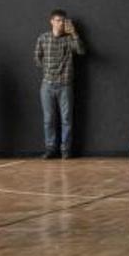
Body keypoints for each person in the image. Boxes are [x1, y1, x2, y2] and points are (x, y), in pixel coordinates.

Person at [34, 9, 86, 159]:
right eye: (58, 20)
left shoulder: (70, 39)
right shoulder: (43, 38)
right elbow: (37, 57)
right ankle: (50, 148)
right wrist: (47, 68)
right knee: (48, 119)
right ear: (51, 21)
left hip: (65, 85)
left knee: (66, 118)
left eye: (63, 21)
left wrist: (74, 33)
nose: (61, 23)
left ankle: (65, 150)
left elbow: (81, 51)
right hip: (47, 85)